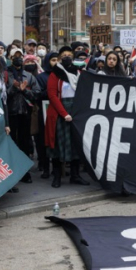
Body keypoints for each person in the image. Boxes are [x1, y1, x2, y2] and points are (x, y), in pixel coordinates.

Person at [46, 45, 89, 188]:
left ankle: (75, 176)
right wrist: (64, 113)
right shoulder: (55, 74)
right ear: (59, 58)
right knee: (58, 145)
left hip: (75, 111)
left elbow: (84, 92)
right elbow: (52, 95)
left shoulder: (78, 72)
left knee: (75, 144)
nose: (66, 57)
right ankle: (57, 176)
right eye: (63, 55)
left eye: (69, 54)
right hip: (60, 112)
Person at [6, 49, 40, 184]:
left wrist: (24, 90)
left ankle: (25, 172)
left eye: (20, 56)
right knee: (12, 143)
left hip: (26, 113)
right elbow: (3, 95)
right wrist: (14, 88)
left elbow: (37, 94)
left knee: (25, 143)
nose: (18, 59)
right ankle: (12, 173)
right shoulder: (6, 75)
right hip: (10, 113)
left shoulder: (29, 76)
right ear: (10, 57)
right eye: (15, 56)